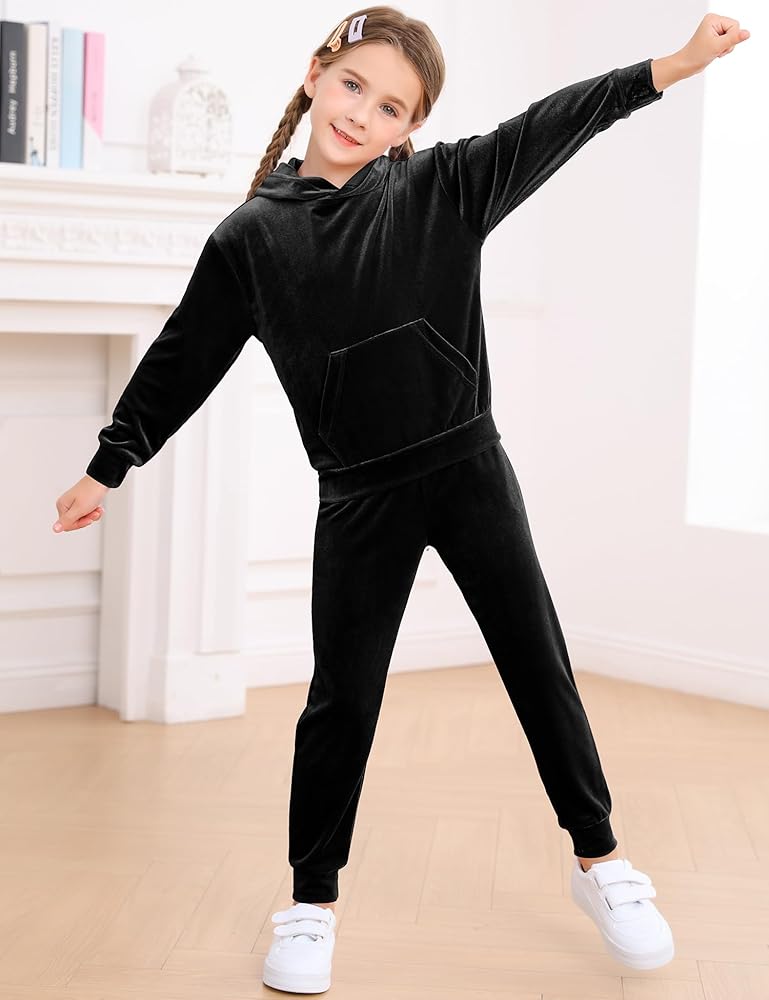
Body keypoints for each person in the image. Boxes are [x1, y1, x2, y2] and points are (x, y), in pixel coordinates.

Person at [52, 6, 750, 993]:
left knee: (536, 663)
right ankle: (310, 905)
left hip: (471, 476)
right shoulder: (250, 238)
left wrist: (671, 65)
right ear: (314, 74)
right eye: (352, 86)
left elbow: (559, 119)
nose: (361, 113)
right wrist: (106, 466)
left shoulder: (445, 188)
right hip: (359, 500)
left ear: (410, 126)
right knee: (341, 701)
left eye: (390, 107)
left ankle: (602, 862)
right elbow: (179, 362)